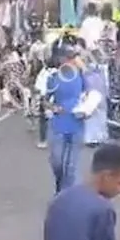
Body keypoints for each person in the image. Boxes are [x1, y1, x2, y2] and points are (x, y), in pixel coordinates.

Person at [45, 45, 86, 193]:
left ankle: (64, 193)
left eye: (73, 58)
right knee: (57, 162)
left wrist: (87, 107)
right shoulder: (54, 78)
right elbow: (45, 100)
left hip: (76, 122)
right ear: (61, 59)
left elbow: (91, 94)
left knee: (71, 166)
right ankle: (60, 185)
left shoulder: (81, 76)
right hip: (59, 125)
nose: (72, 61)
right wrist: (53, 107)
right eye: (69, 58)